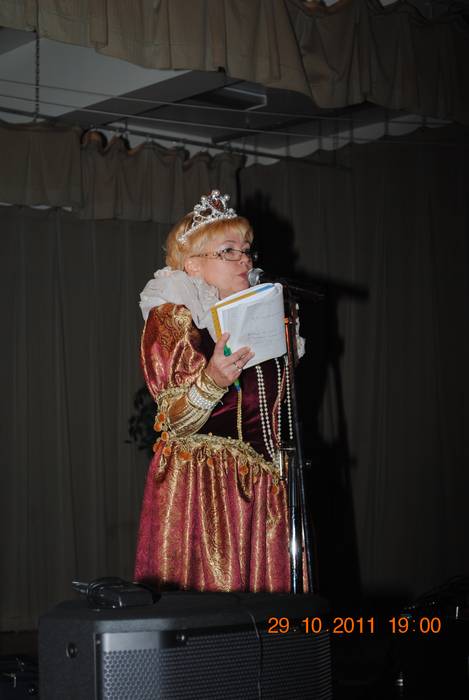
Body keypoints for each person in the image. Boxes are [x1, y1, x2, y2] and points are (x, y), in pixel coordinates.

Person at [134, 190, 292, 593]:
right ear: (194, 265)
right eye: (229, 251)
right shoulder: (174, 317)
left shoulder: (263, 320)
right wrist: (212, 381)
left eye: (246, 250)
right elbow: (172, 423)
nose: (245, 260)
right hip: (202, 487)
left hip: (263, 491)